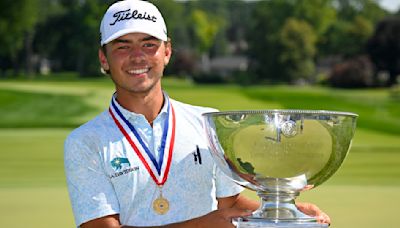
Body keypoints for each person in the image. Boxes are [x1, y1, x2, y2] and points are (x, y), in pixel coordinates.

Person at [64, 0, 331, 227]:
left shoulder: (207, 123)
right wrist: (206, 224)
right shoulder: (85, 142)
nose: (137, 56)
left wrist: (286, 214)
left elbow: (232, 205)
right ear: (103, 58)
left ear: (166, 51)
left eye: (149, 45)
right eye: (123, 46)